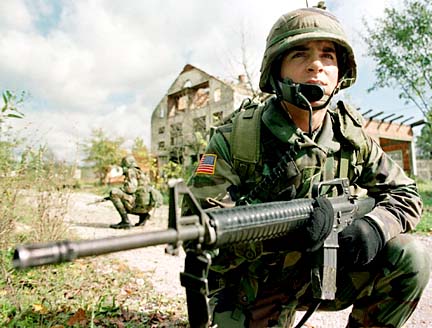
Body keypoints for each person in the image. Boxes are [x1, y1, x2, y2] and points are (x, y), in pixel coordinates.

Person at [185, 7, 430, 328]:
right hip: (257, 280)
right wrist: (289, 233)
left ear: (340, 71)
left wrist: (374, 227)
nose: (316, 64)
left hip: (325, 271)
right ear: (277, 70)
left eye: (328, 55)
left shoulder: (352, 137)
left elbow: (406, 193)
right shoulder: (237, 138)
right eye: (300, 54)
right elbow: (197, 226)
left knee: (410, 257)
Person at [110, 155, 161, 229]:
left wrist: (121, 189)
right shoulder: (140, 172)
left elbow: (131, 189)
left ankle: (125, 221)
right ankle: (143, 216)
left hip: (137, 206)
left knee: (114, 193)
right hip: (146, 206)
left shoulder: (131, 171)